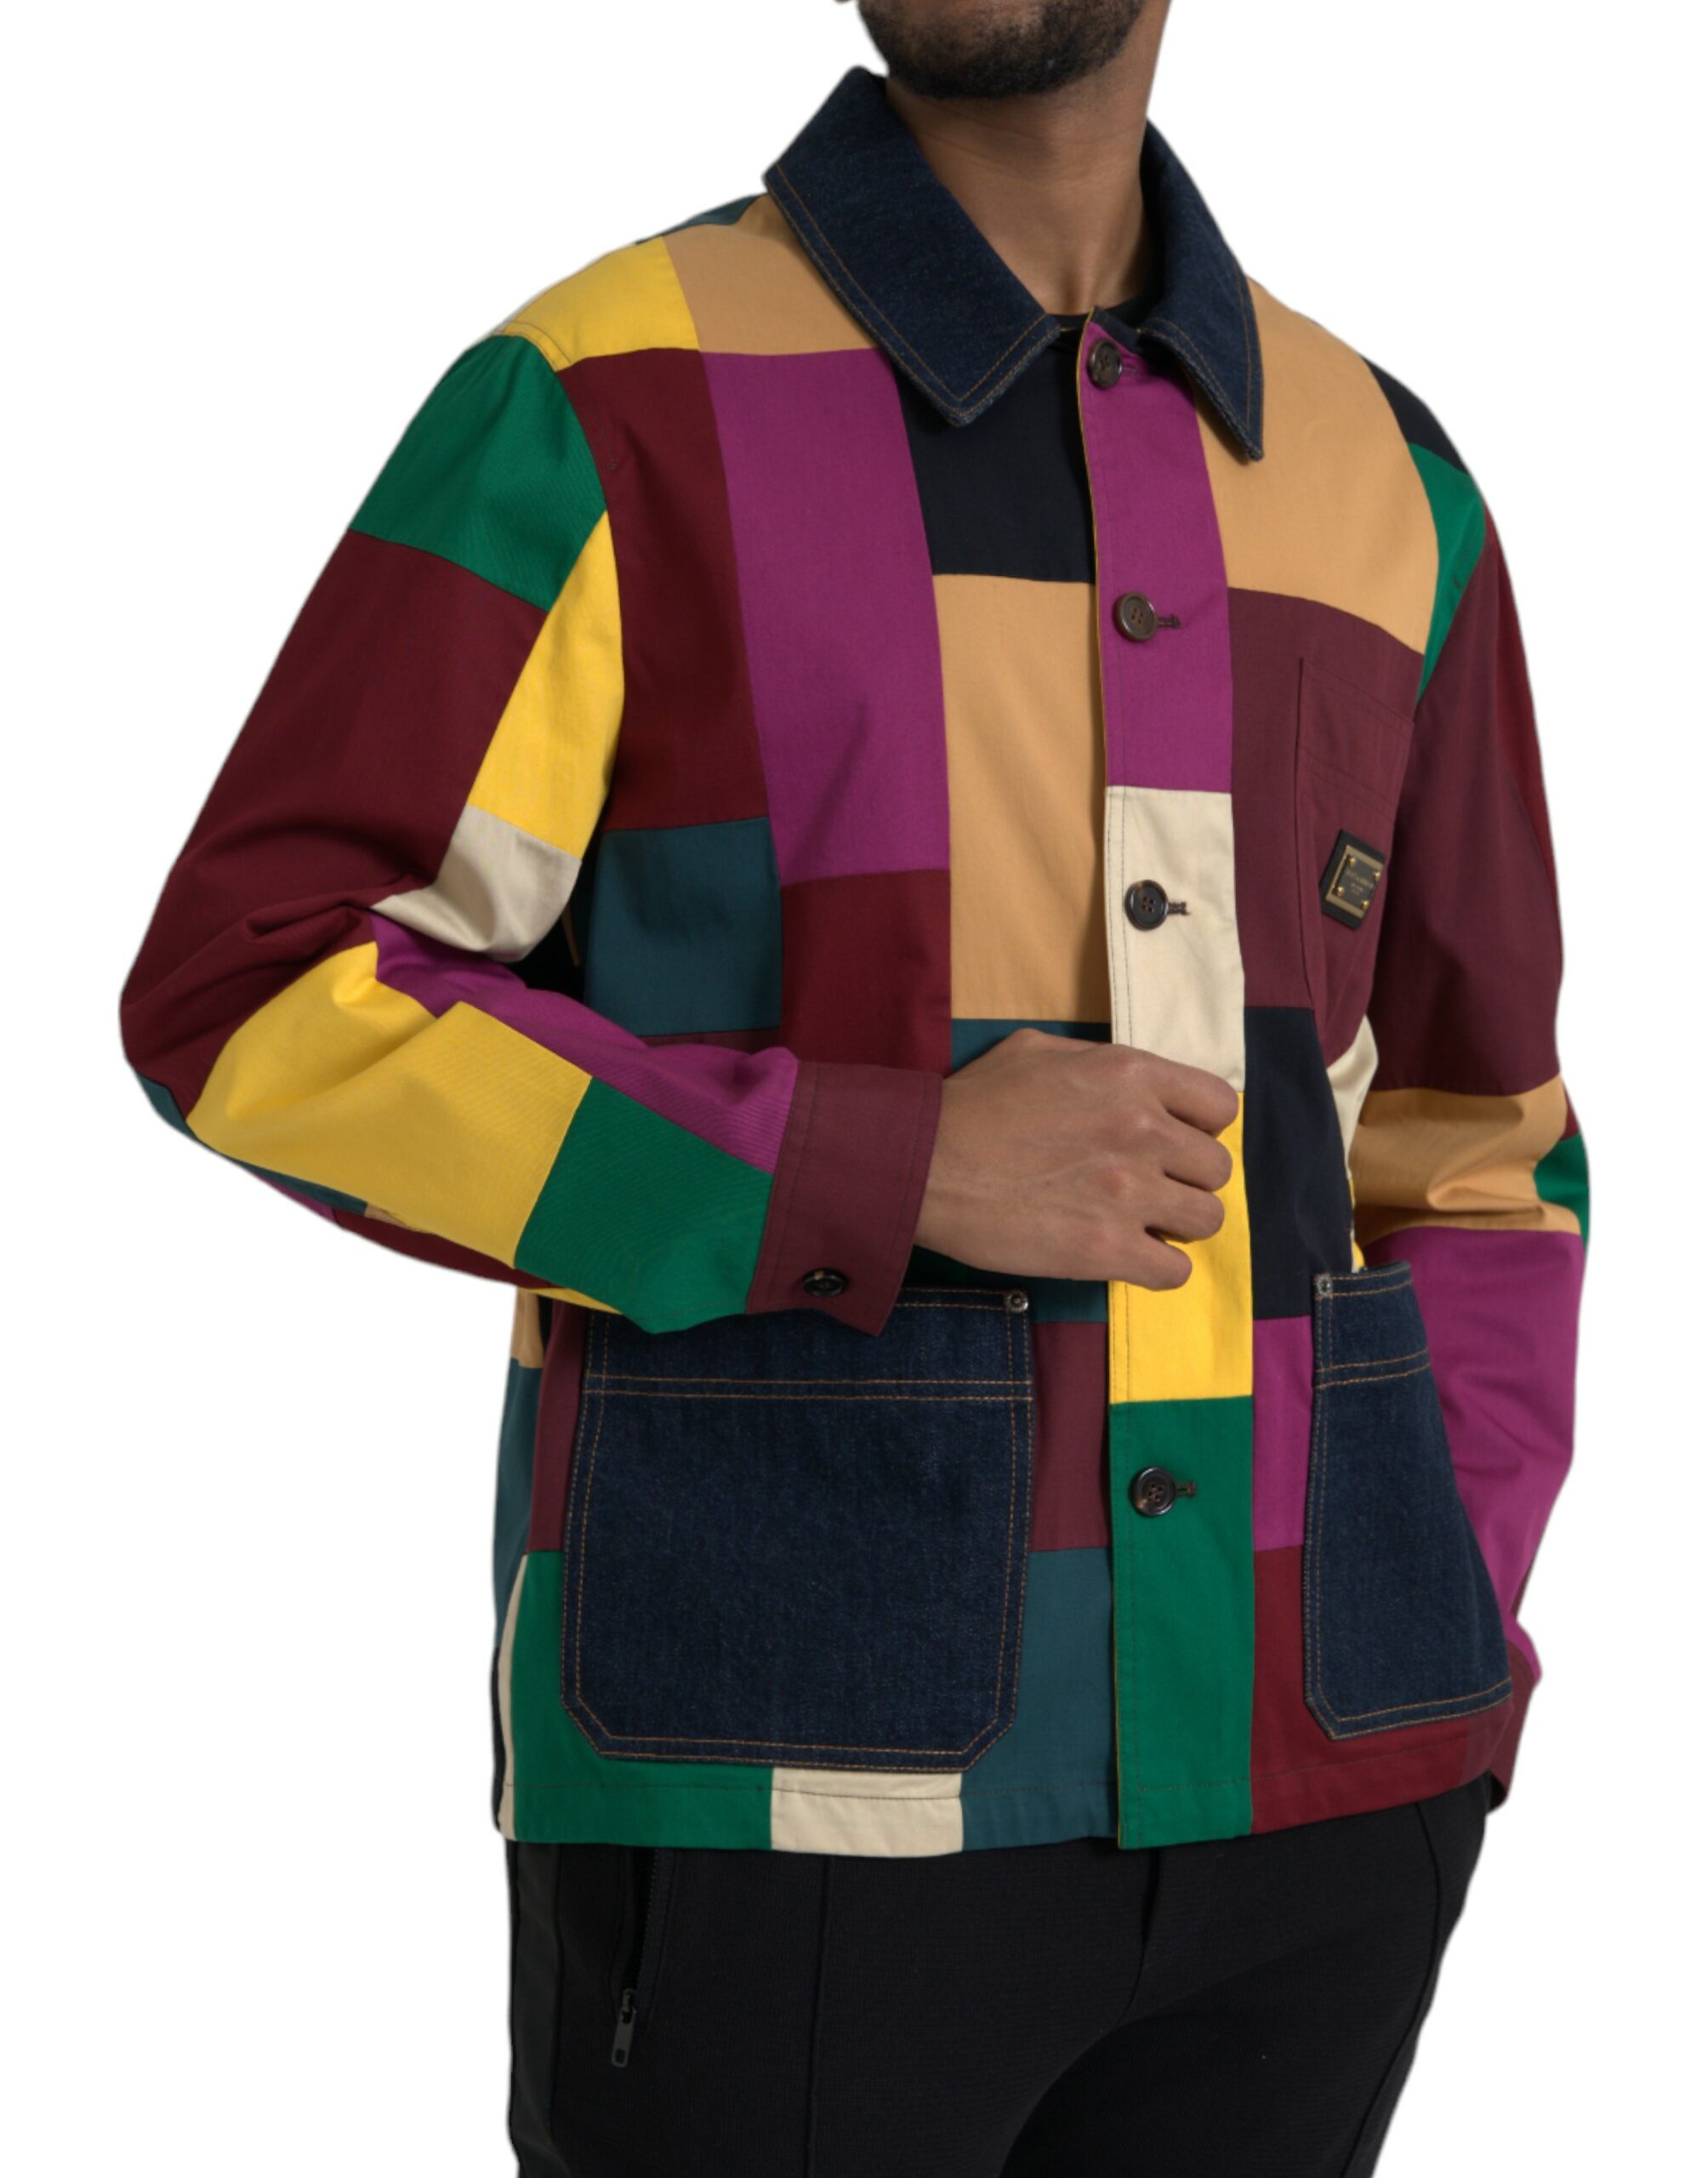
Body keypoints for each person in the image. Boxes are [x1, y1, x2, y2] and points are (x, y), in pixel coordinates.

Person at [119, 3, 1587, 2170]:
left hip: (1323, 1799)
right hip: (780, 1781)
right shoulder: (604, 397)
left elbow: (1478, 1145)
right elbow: (257, 985)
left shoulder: (1384, 472)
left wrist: (1444, 1603)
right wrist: (868, 1164)